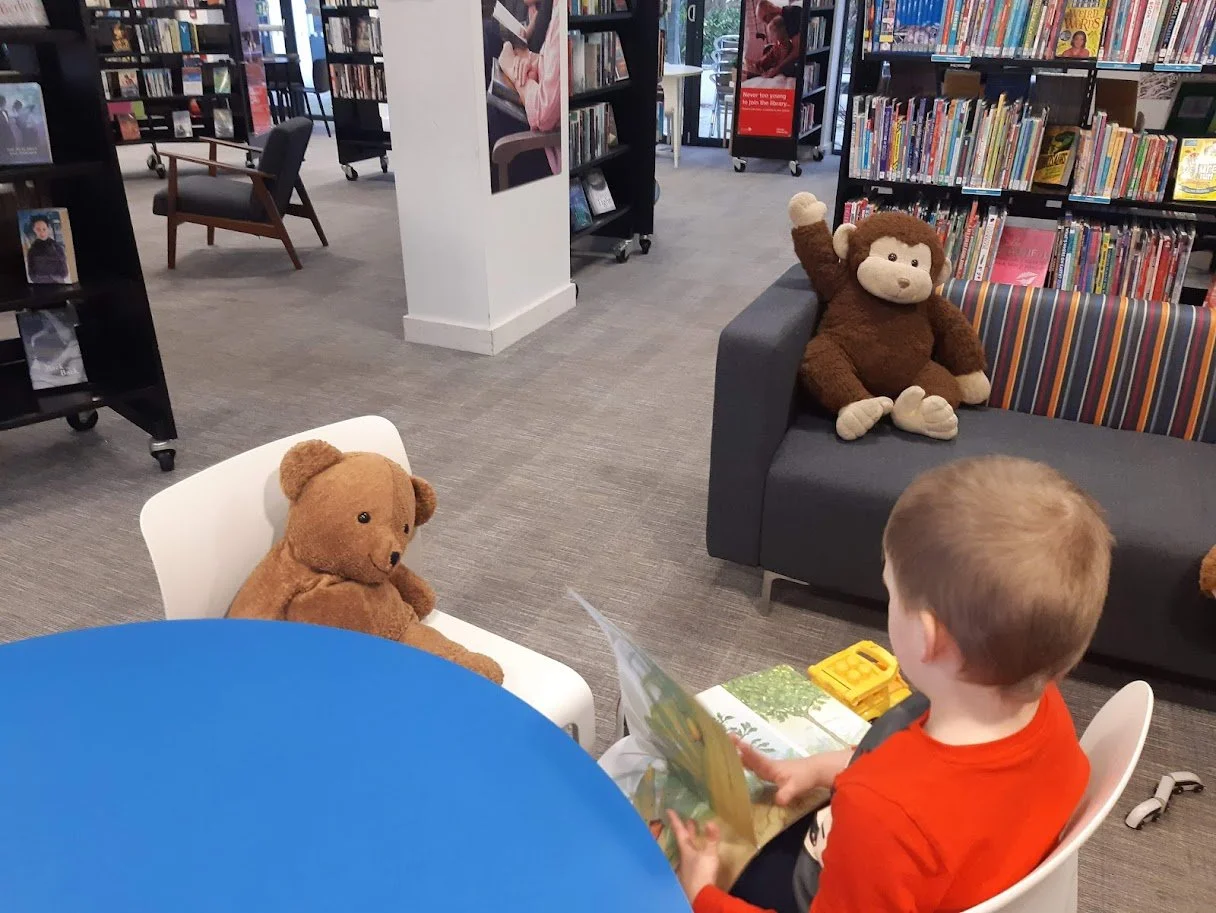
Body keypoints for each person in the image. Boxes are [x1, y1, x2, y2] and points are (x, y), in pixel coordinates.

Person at [668, 455, 1111, 913]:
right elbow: (932, 786)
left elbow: (895, 809)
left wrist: (702, 895)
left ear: (929, 636)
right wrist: (818, 769)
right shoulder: (1043, 707)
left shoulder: (880, 813)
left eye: (892, 593)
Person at [25, 214, 69, 284]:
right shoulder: (32, 251)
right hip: (41, 287)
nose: (42, 232)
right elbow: (32, 276)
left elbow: (64, 273)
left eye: (44, 229)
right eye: (38, 229)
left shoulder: (57, 248)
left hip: (59, 286)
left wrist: (50, 277)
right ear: (34, 230)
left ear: (48, 229)